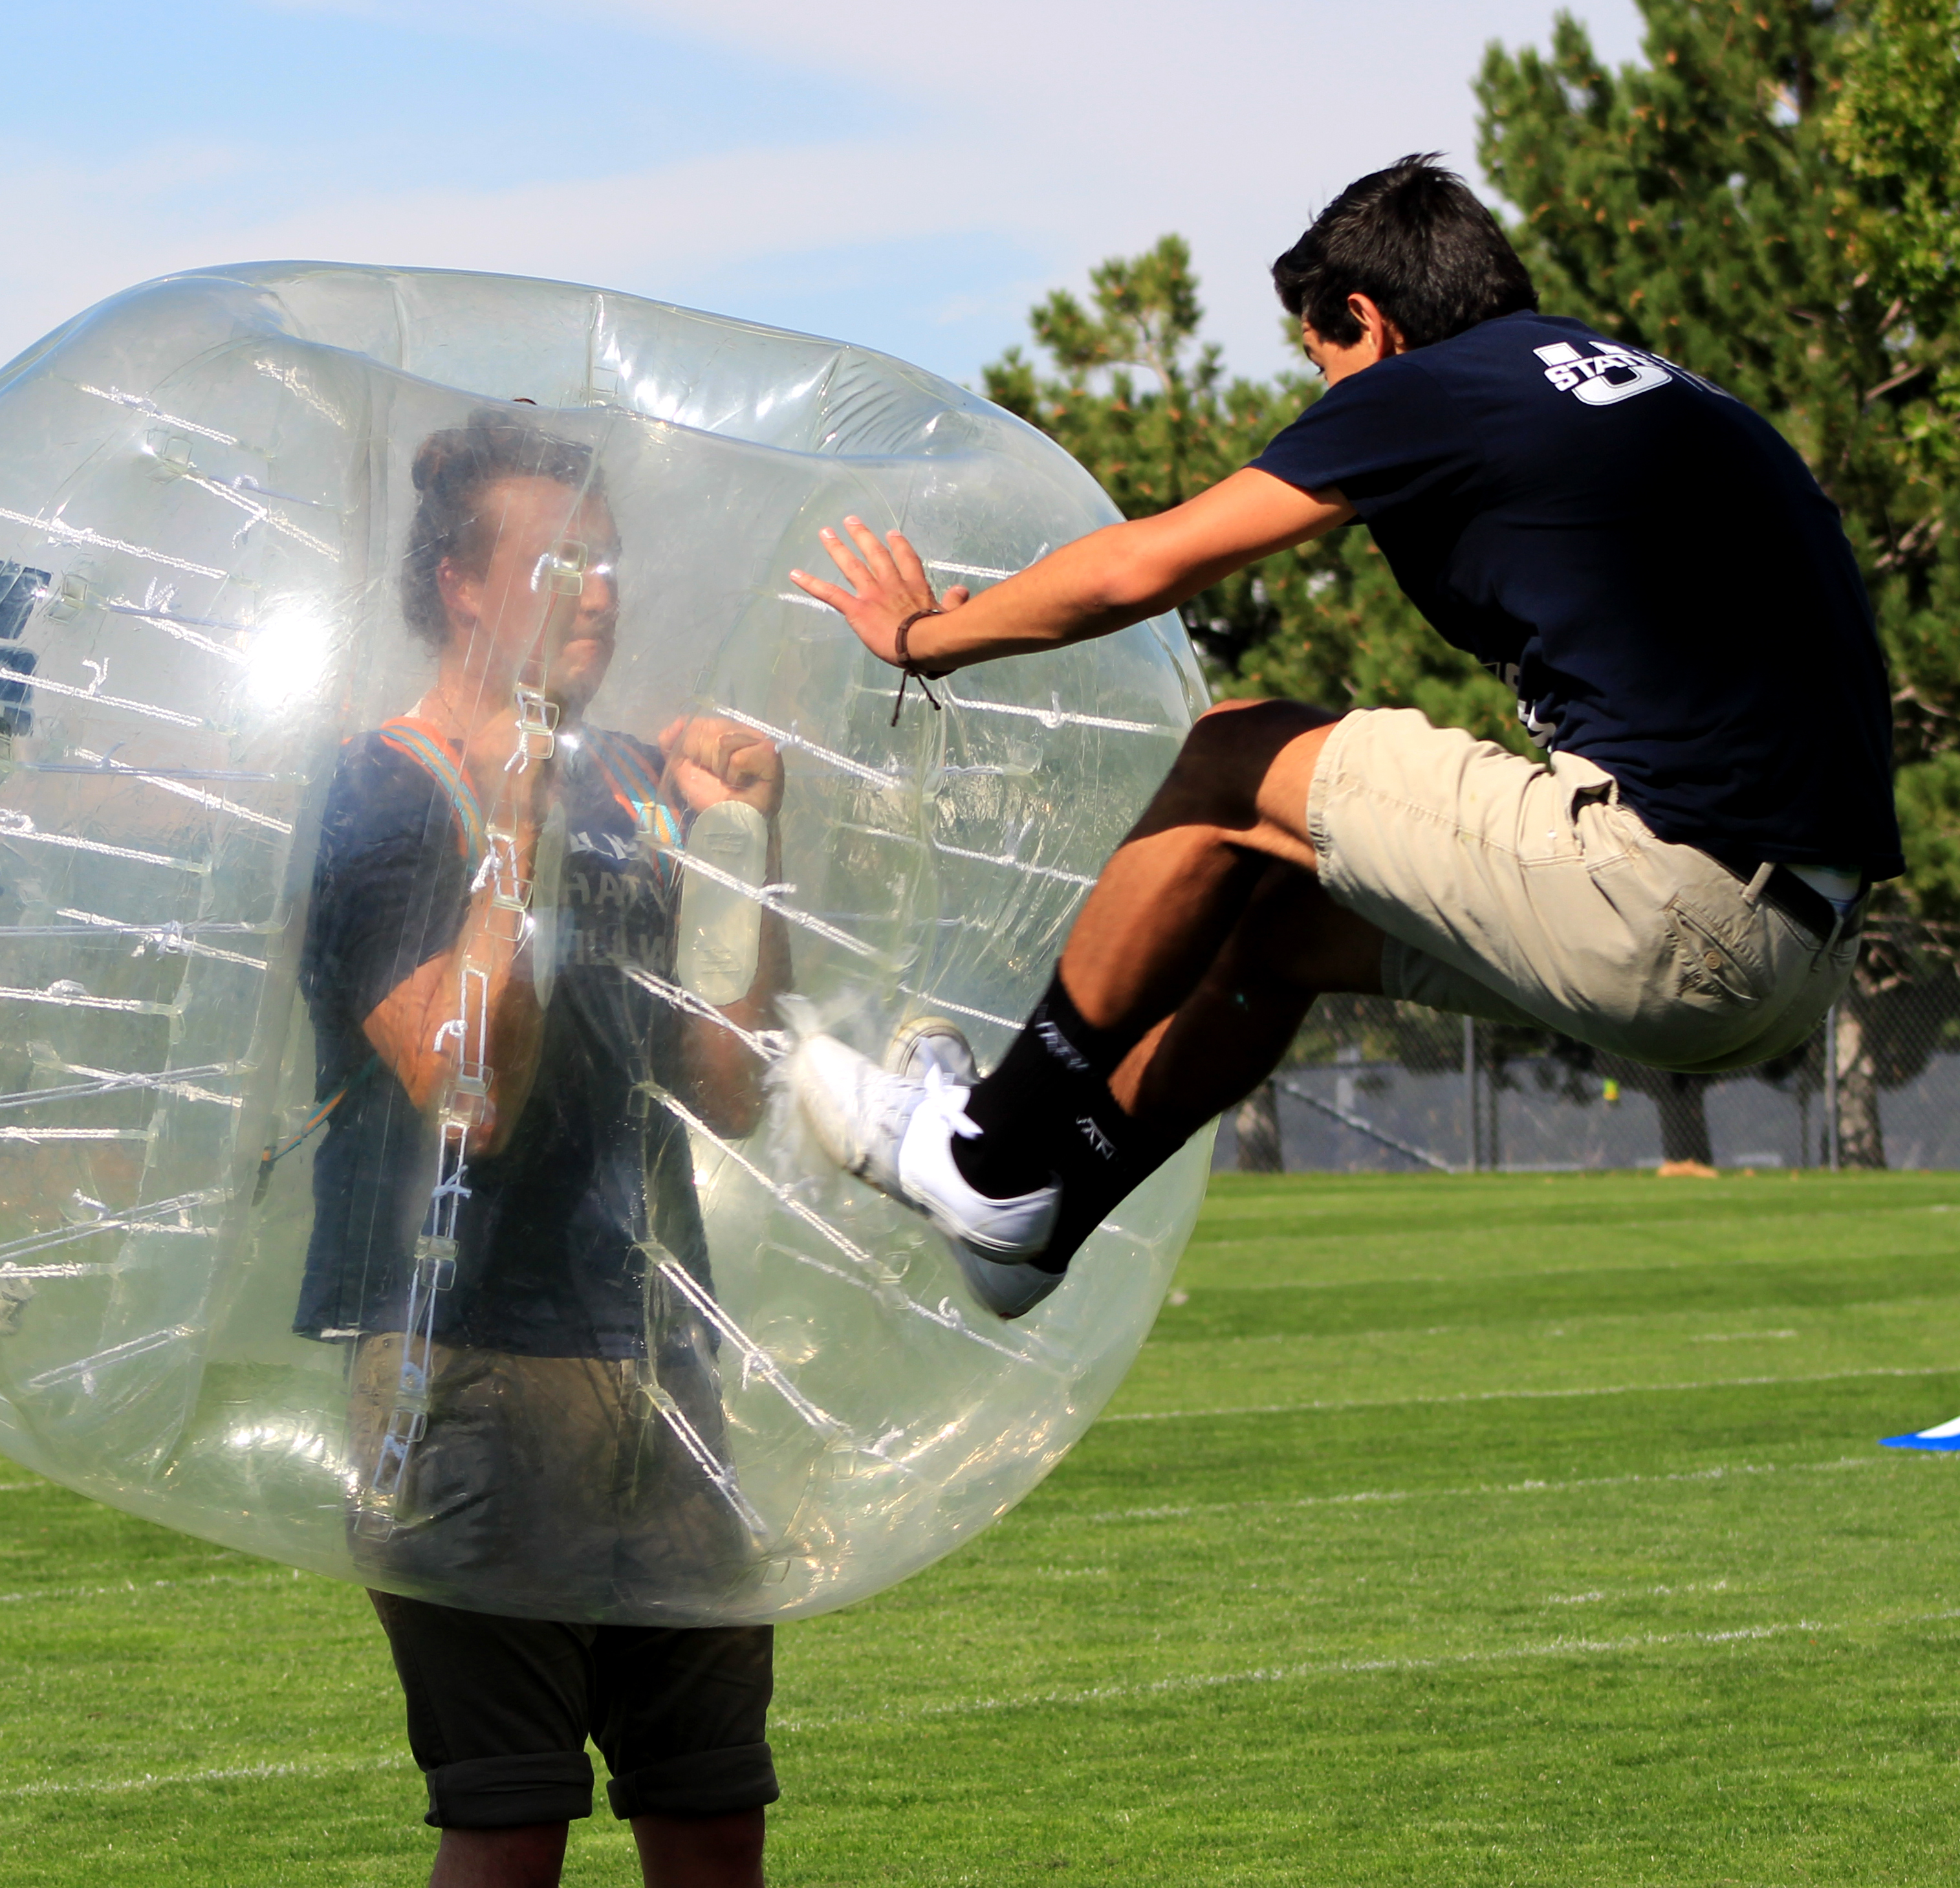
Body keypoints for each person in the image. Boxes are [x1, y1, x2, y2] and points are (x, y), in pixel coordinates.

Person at [787, 154, 1902, 1315]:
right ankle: (1052, 1215)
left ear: (1368, 320)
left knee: (1235, 753)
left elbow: (1143, 564)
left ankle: (989, 1158)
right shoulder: (1667, 389)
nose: (1330, 405)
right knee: (1277, 920)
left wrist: (923, 634)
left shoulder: (1438, 385)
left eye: (1325, 366)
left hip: (1667, 903)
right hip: (1793, 961)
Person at [294, 407, 787, 1888]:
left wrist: (738, 851)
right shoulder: (385, 794)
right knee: (510, 1831)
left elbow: (731, 1080)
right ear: (459, 582)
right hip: (468, 1371)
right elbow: (467, 1095)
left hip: (659, 1352)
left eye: (611, 564)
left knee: (712, 1820)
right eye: (562, 561)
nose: (599, 594)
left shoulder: (641, 789)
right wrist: (511, 839)